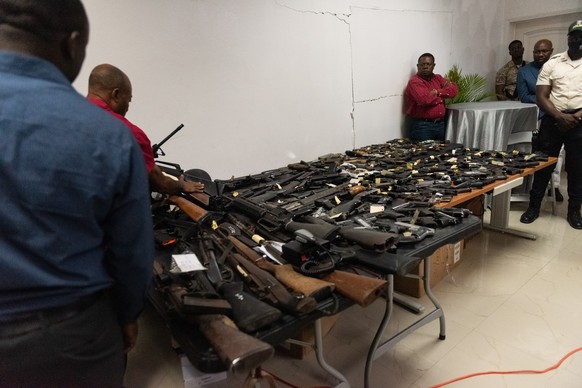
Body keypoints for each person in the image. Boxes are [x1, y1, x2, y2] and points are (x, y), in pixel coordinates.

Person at [0, 0, 154, 386]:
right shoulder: (111, 135)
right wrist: (127, 314)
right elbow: (131, 252)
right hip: (68, 338)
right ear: (72, 45)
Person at [87, 64, 205, 195]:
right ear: (116, 94)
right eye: (128, 100)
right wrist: (182, 185)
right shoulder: (128, 133)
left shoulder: (64, 116)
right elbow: (160, 184)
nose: (127, 107)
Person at [520, 20, 582, 229]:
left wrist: (576, 117)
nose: (578, 40)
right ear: (568, 38)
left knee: (576, 168)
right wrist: (559, 116)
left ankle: (574, 210)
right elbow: (541, 96)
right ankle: (534, 207)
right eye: (575, 36)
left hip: (579, 121)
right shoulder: (553, 63)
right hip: (553, 118)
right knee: (543, 165)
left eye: (581, 36)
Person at [516, 39, 564, 202]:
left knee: (558, 155)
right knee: (537, 152)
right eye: (537, 51)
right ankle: (532, 188)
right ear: (533, 53)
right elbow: (523, 96)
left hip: (557, 116)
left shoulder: (559, 68)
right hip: (535, 117)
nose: (541, 54)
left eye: (544, 51)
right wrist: (544, 100)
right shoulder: (524, 71)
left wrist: (550, 103)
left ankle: (555, 186)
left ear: (551, 51)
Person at [404, 53, 458, 142]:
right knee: (423, 154)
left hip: (440, 125)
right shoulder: (414, 82)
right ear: (418, 66)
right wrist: (442, 97)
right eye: (422, 64)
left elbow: (454, 90)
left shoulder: (438, 78)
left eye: (428, 64)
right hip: (422, 127)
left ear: (433, 66)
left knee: (440, 153)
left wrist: (437, 92)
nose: (425, 67)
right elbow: (424, 100)